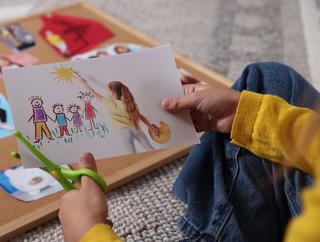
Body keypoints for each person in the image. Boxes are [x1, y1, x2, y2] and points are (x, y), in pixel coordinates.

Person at [59, 62, 320, 241]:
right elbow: (135, 114)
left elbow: (98, 96)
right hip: (134, 131)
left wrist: (87, 232)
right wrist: (246, 114)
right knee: (267, 77)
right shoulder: (125, 103)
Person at [79, 76, 159, 154]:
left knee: (131, 153)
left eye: (107, 90)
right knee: (149, 148)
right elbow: (141, 117)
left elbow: (93, 92)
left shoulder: (109, 102)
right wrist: (153, 129)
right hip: (135, 128)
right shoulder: (128, 104)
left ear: (112, 92)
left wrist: (83, 82)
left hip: (124, 131)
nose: (106, 92)